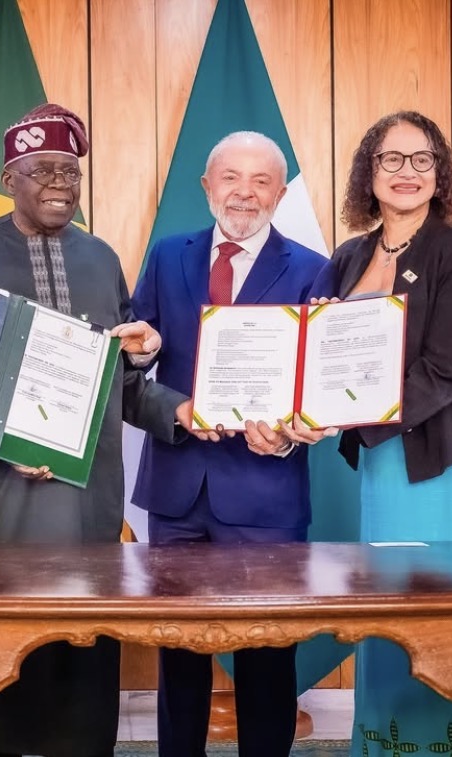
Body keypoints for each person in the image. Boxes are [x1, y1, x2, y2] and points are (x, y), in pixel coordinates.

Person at [0, 103, 199, 757]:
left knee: (81, 713)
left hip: (87, 511)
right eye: (43, 169)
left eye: (71, 172)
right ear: (6, 177)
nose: (61, 184)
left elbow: (123, 383)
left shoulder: (101, 258)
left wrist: (177, 412)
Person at [301, 111, 452, 756]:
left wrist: (340, 417)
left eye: (421, 159)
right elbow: (318, 355)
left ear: (441, 172)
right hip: (390, 460)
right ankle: (393, 742)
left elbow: (447, 367)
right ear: (368, 172)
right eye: (391, 159)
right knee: (395, 600)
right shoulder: (347, 257)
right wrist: (303, 412)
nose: (406, 173)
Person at [129, 131, 327, 757]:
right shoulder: (166, 256)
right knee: (178, 654)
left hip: (265, 493)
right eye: (231, 178)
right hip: (176, 489)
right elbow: (132, 364)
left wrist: (290, 435)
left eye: (262, 180)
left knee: (268, 657)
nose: (245, 192)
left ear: (280, 192)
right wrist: (167, 390)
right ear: (207, 187)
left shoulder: (313, 270)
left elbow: (318, 388)